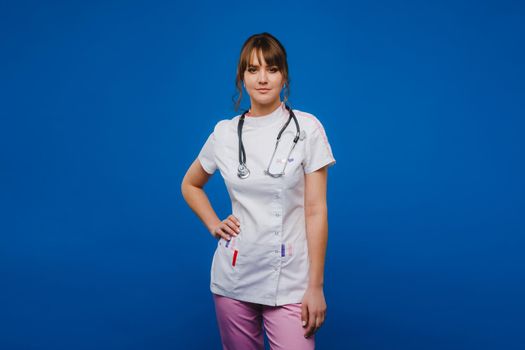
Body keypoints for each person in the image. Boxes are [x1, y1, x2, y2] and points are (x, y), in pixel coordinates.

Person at [181, 32, 336, 350]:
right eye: (253, 70)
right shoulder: (224, 134)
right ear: (242, 77)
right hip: (234, 277)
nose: (263, 79)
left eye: (272, 69)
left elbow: (316, 210)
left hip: (291, 280)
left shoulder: (307, 129)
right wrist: (213, 223)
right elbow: (191, 184)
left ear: (284, 75)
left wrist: (315, 286)